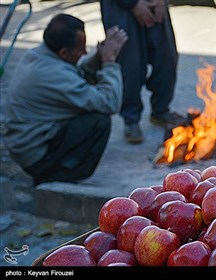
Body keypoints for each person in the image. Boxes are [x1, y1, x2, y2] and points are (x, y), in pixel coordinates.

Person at [3, 14, 128, 186]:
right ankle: (57, 177)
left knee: (87, 112)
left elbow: (76, 77)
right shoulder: (51, 73)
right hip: (35, 156)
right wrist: (109, 62)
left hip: (25, 144)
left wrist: (98, 57)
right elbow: (110, 102)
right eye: (80, 50)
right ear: (63, 52)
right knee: (99, 121)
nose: (84, 53)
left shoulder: (38, 54)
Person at [99, 0, 184, 144]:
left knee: (166, 58)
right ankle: (131, 118)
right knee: (130, 65)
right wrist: (132, 4)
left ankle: (160, 110)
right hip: (119, 6)